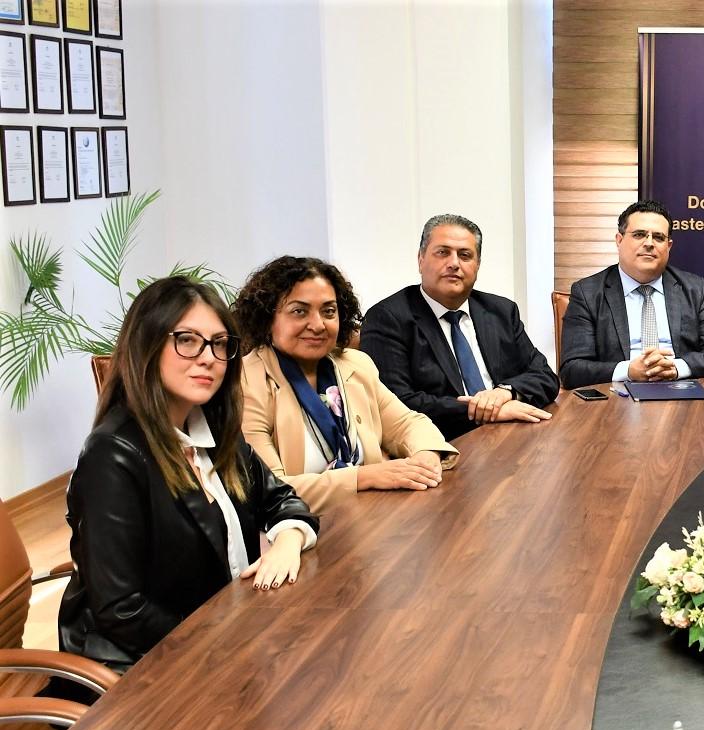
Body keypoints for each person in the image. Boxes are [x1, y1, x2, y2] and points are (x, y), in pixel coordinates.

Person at [58, 277, 318, 676]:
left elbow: (282, 499)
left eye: (219, 344)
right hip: (142, 669)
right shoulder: (113, 454)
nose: (208, 357)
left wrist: (288, 541)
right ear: (146, 345)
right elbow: (121, 609)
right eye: (187, 340)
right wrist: (224, 646)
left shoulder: (213, 431)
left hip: (224, 639)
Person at [235, 256, 459, 516]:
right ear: (267, 317)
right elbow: (270, 491)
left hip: (371, 518)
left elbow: (407, 423)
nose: (318, 325)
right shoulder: (246, 381)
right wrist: (365, 477)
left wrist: (425, 457)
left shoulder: (355, 364)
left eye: (329, 311)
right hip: (299, 530)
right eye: (299, 311)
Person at [365, 214, 559, 440]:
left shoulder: (501, 311)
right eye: (442, 252)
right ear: (420, 259)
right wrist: (485, 411)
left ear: (477, 265)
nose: (454, 263)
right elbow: (396, 403)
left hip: (511, 437)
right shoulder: (388, 318)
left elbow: (545, 376)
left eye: (465, 255)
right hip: (445, 444)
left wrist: (504, 392)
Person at [558, 199, 704, 388]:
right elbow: (572, 370)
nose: (649, 243)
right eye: (639, 235)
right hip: (617, 396)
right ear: (619, 240)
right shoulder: (588, 293)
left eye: (658, 237)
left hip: (681, 391)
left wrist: (675, 368)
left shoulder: (693, 288)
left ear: (669, 246)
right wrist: (628, 371)